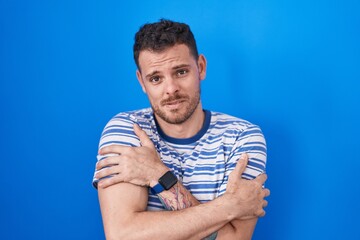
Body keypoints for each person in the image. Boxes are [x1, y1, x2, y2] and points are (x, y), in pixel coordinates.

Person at [92, 19, 270, 240]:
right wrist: (229, 206)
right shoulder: (127, 129)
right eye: (156, 78)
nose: (171, 89)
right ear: (141, 82)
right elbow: (123, 235)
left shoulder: (242, 137)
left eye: (181, 72)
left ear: (201, 67)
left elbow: (233, 239)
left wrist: (157, 174)